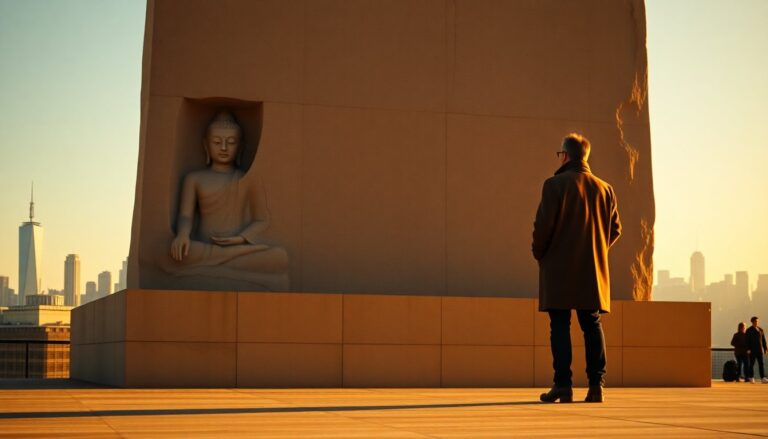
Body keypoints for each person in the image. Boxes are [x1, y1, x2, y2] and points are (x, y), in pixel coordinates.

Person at [532, 133, 621, 403]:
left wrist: (540, 254)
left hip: (558, 268)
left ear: (565, 156)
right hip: (591, 270)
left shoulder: (554, 185)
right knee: (591, 323)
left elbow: (542, 227)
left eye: (559, 153)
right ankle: (596, 386)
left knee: (559, 325)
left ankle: (563, 386)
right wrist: (597, 251)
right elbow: (615, 230)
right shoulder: (605, 189)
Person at [168, 111, 289, 290]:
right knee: (170, 252)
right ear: (206, 145)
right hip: (202, 247)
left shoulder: (248, 180)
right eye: (217, 142)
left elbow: (262, 219)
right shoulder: (194, 179)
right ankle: (236, 275)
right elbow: (185, 215)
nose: (224, 147)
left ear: (240, 147)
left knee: (279, 256)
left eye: (231, 142)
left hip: (236, 250)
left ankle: (210, 272)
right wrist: (183, 234)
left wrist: (240, 238)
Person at [745, 316, 768, 383]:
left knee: (761, 364)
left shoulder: (760, 330)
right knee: (751, 364)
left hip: (760, 350)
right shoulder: (749, 330)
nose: (756, 322)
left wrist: (765, 348)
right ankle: (751, 377)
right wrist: (748, 349)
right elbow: (746, 341)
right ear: (752, 322)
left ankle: (763, 378)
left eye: (757, 321)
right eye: (755, 321)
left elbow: (763, 340)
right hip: (752, 350)